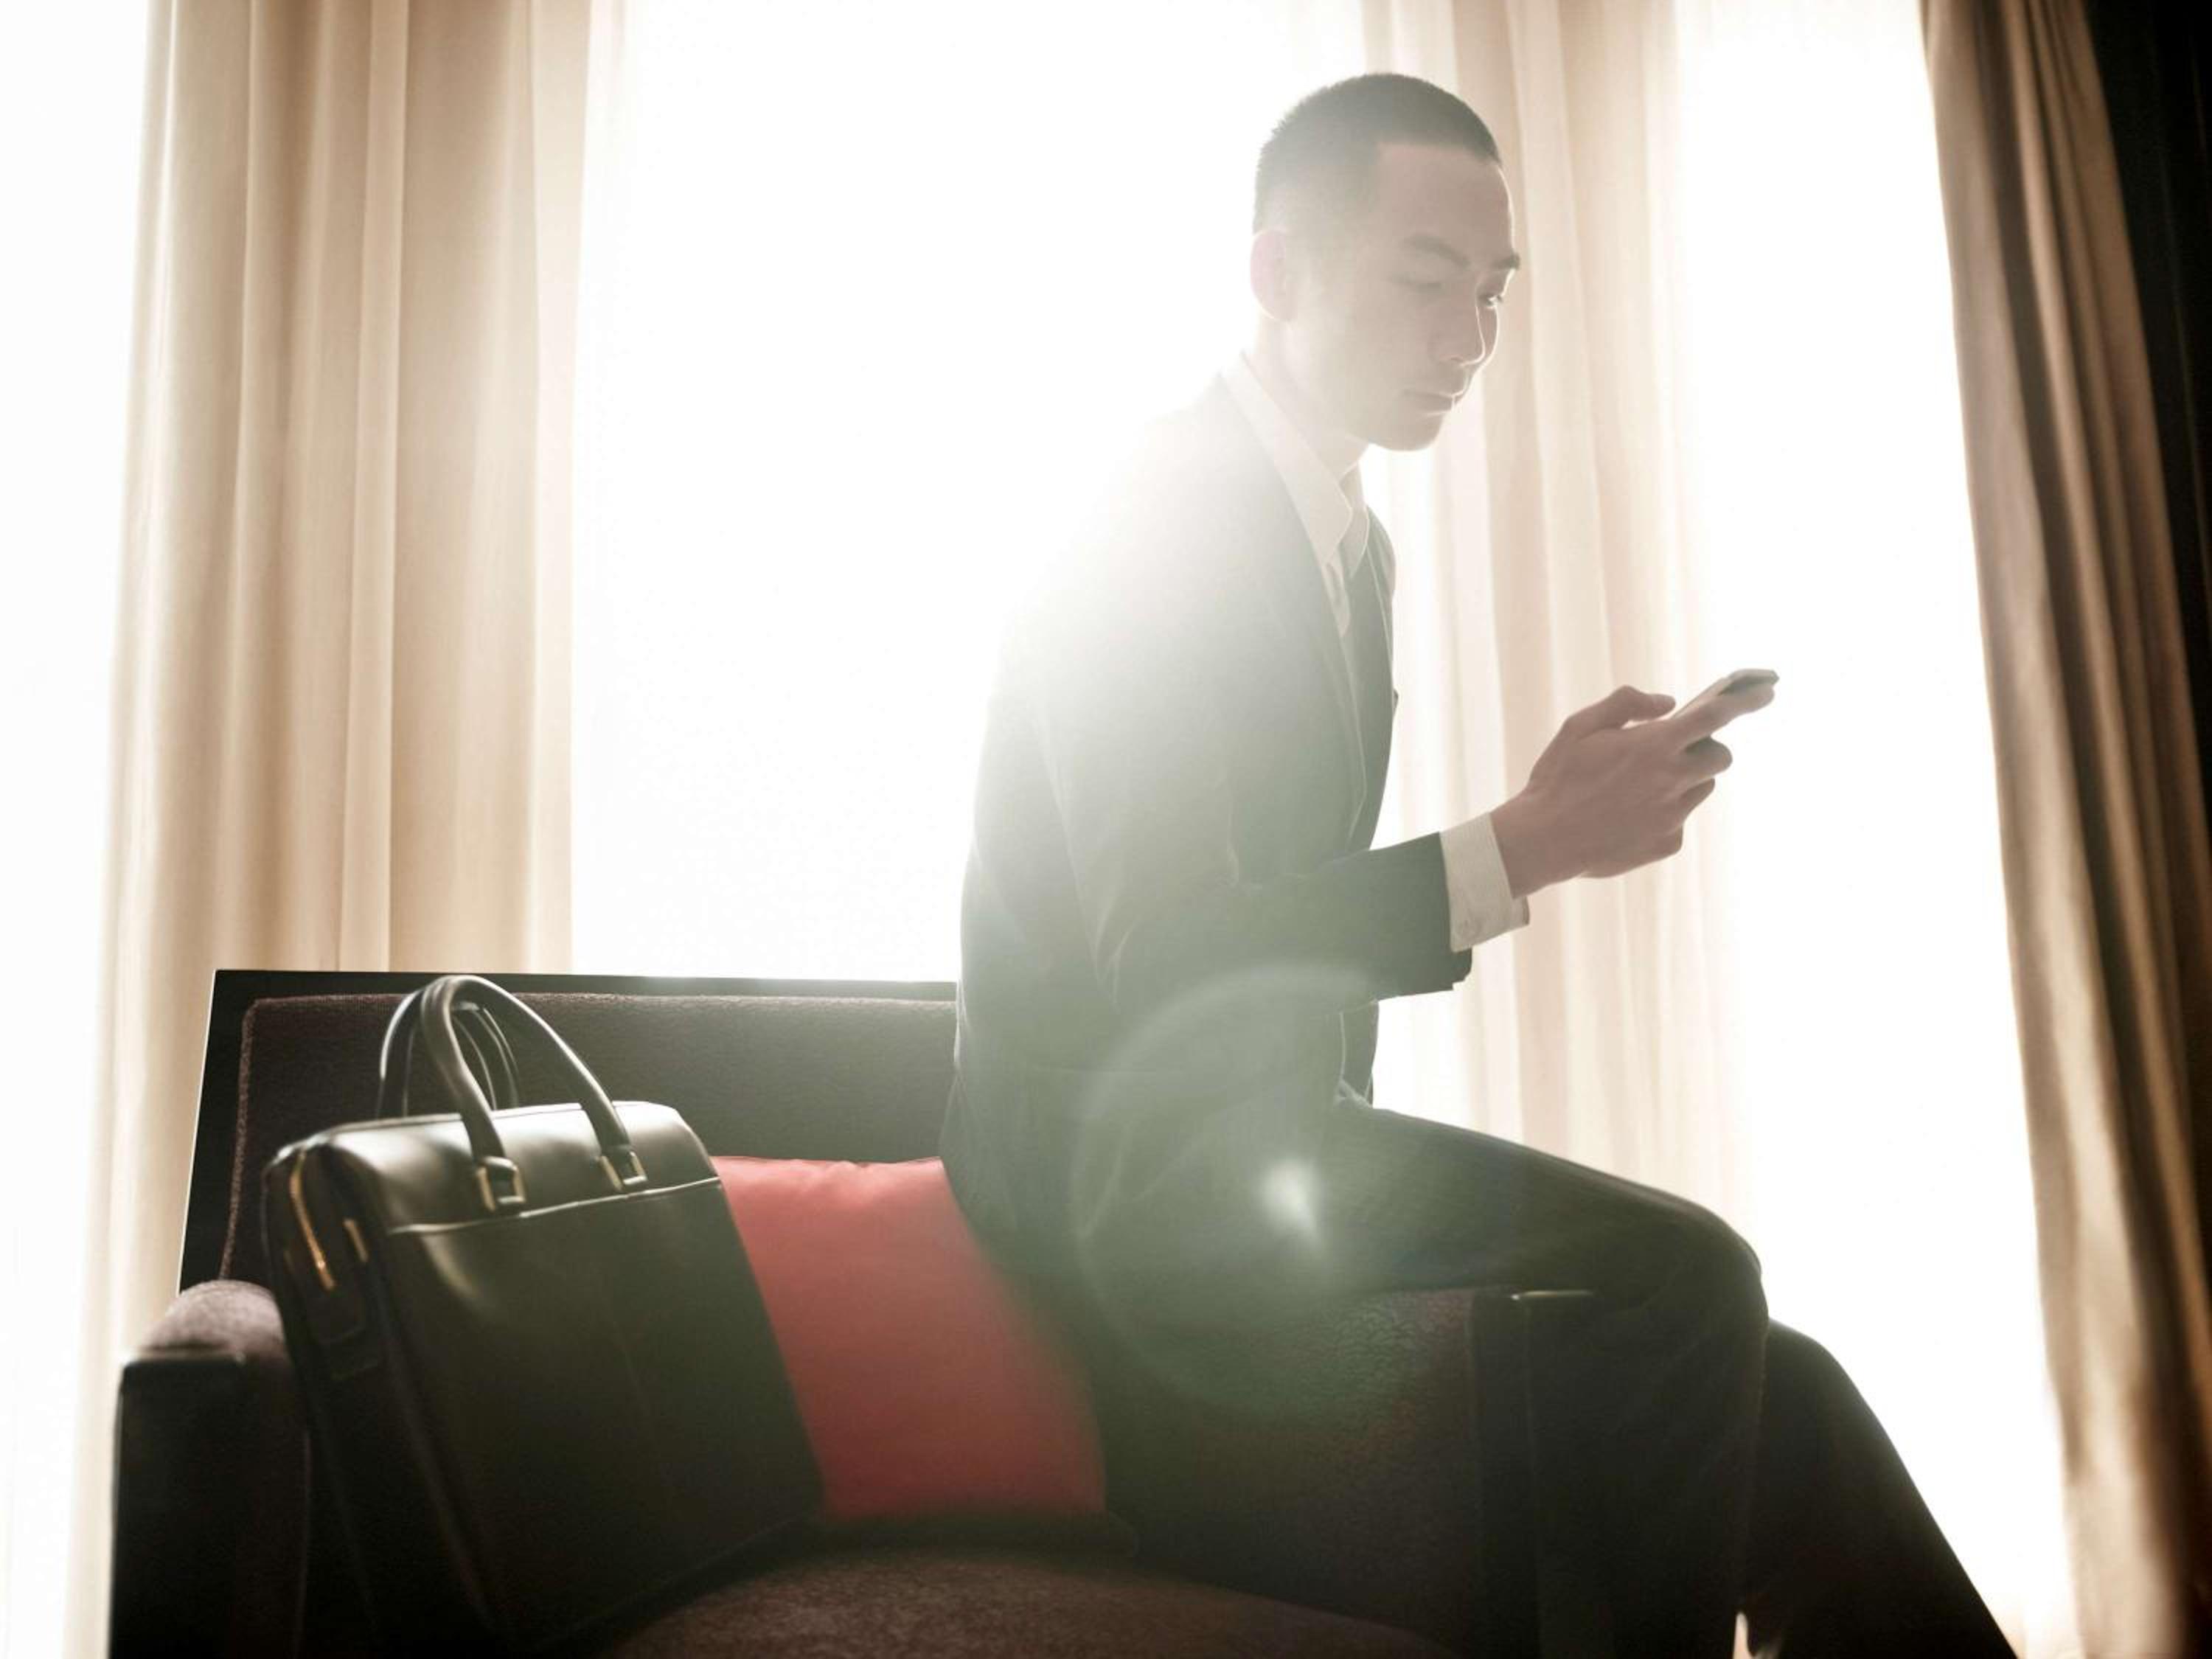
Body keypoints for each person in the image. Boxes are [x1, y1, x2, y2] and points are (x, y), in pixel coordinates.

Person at [937, 71, 2012, 1656]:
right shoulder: (1148, 525)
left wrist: (1525, 846)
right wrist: (1520, 846)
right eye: (1425, 280)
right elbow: (1163, 955)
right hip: (1124, 1189)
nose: (1469, 335)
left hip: (1266, 1155)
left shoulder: (1348, 545)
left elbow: (1273, 910)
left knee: (1789, 1401)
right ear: (1278, 272)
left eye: (1494, 291)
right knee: (1694, 1275)